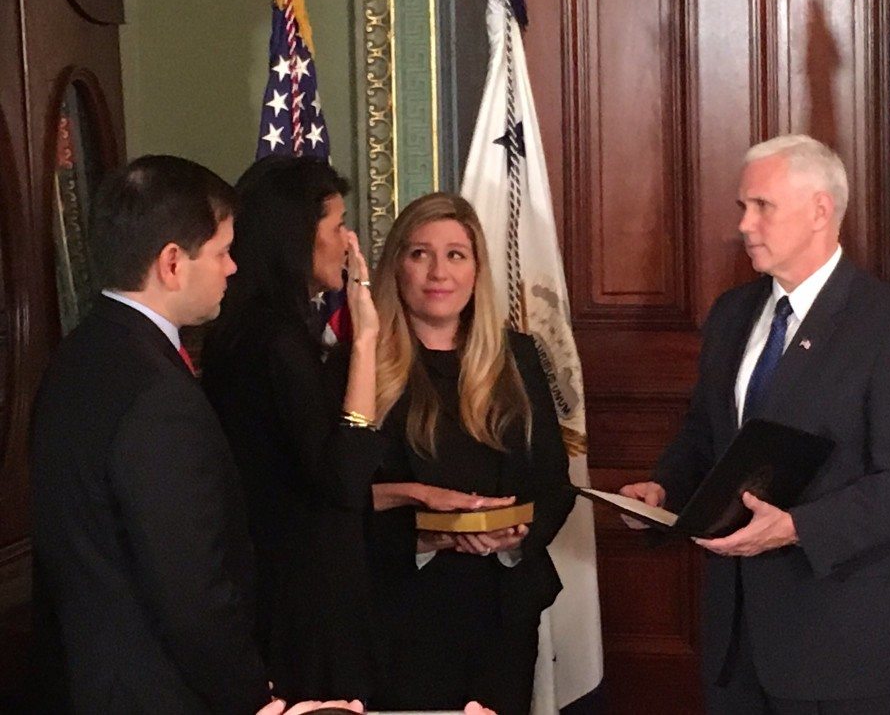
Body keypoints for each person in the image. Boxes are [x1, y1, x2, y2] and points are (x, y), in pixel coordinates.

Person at [620, 135, 890, 714]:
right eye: (741, 208)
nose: (745, 225)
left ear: (821, 210)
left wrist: (797, 527)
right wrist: (663, 490)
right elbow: (705, 436)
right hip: (734, 647)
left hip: (841, 652)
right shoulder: (732, 314)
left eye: (761, 206)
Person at [31, 154, 361, 714]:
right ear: (172, 263)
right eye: (223, 252)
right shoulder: (156, 394)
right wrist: (254, 698)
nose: (234, 268)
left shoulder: (78, 357)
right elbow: (190, 587)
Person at [368, 192, 575, 715]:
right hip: (398, 615)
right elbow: (342, 500)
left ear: (477, 269)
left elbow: (554, 482)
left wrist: (515, 536)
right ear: (396, 266)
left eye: (456, 254)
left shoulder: (518, 358)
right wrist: (429, 538)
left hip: (502, 610)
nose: (439, 271)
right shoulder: (360, 368)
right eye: (420, 253)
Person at [201, 155, 384, 703]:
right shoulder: (274, 339)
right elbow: (345, 475)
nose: (349, 239)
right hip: (304, 600)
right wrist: (367, 339)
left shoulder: (263, 329)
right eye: (336, 225)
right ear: (296, 235)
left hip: (295, 587)